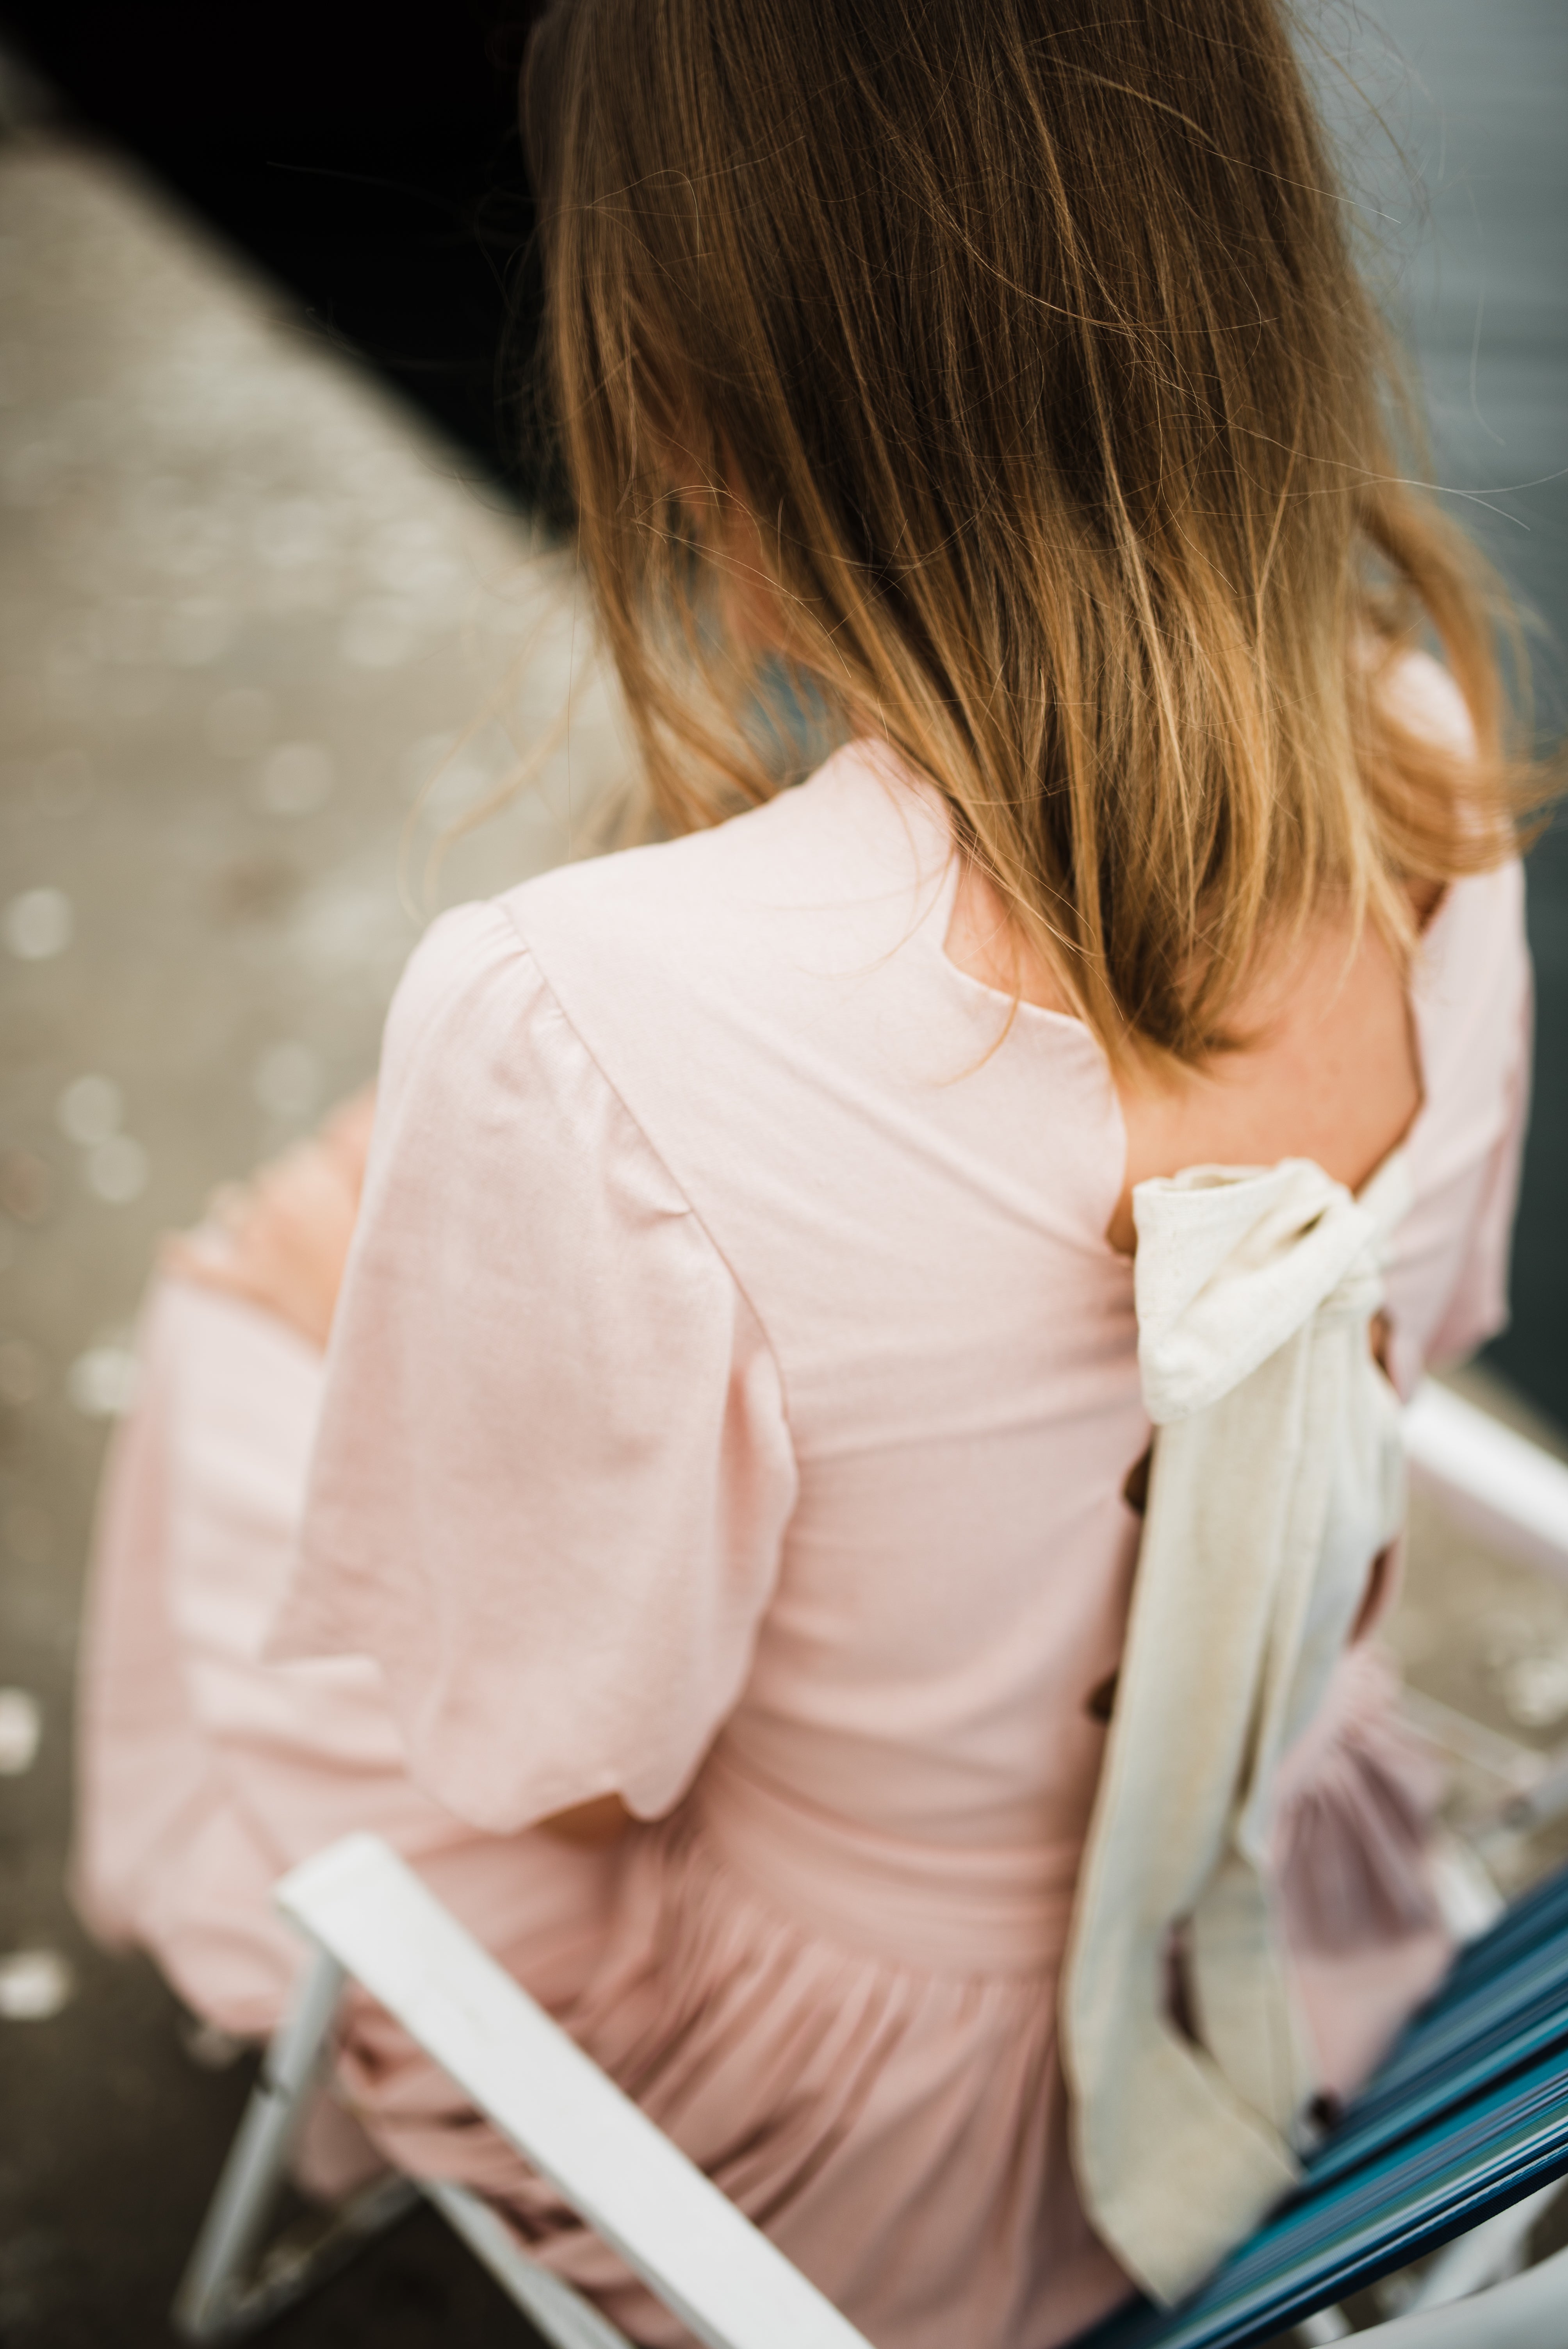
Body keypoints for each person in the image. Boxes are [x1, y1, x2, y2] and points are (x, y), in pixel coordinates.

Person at [73, 3, 1543, 2343]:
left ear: (688, 385)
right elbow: (1404, 1344)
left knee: (255, 1307)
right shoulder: (1432, 749)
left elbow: (550, 1768)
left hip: (848, 2155)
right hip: (1299, 1925)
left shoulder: (590, 1009)